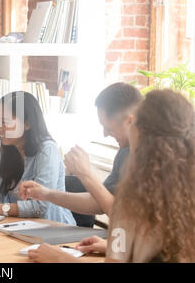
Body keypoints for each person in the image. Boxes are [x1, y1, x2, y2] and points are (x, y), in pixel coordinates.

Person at [26, 89, 195, 262]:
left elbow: (118, 214)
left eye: (108, 127)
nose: (105, 133)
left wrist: (59, 259)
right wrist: (115, 247)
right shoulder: (183, 194)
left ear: (132, 123)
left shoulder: (137, 197)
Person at [19, 83, 143, 219]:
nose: (105, 134)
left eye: (109, 128)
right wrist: (47, 194)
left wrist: (86, 174)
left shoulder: (157, 158)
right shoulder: (124, 152)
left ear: (129, 121)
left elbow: (122, 218)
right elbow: (100, 202)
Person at [0, 91, 75, 225]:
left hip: (53, 228)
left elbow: (39, 207)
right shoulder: (7, 149)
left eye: (5, 122)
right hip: (17, 226)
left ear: (27, 124)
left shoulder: (47, 150)